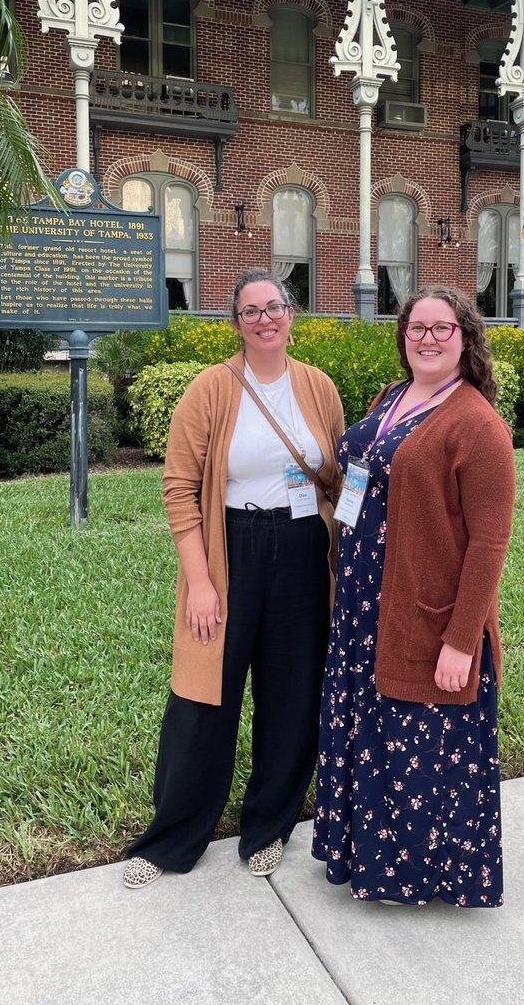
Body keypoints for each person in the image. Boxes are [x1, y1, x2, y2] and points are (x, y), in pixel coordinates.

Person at [123, 269, 344, 887]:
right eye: (251, 311)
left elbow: (336, 475)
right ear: (236, 324)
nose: (265, 318)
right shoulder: (210, 390)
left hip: (302, 548)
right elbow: (179, 490)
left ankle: (268, 827)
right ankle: (172, 840)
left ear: (291, 315)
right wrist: (199, 582)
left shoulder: (318, 387)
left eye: (275, 307)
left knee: (292, 694)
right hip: (231, 548)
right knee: (203, 698)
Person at [313, 285, 516, 906]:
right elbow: (361, 473)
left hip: (425, 615)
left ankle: (422, 876)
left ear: (465, 337)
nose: (427, 337)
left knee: (424, 748)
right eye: (417, 327)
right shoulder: (393, 397)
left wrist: (461, 641)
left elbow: (488, 545)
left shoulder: (478, 423)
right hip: (363, 607)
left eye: (442, 328)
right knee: (370, 735)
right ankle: (363, 861)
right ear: (404, 336)